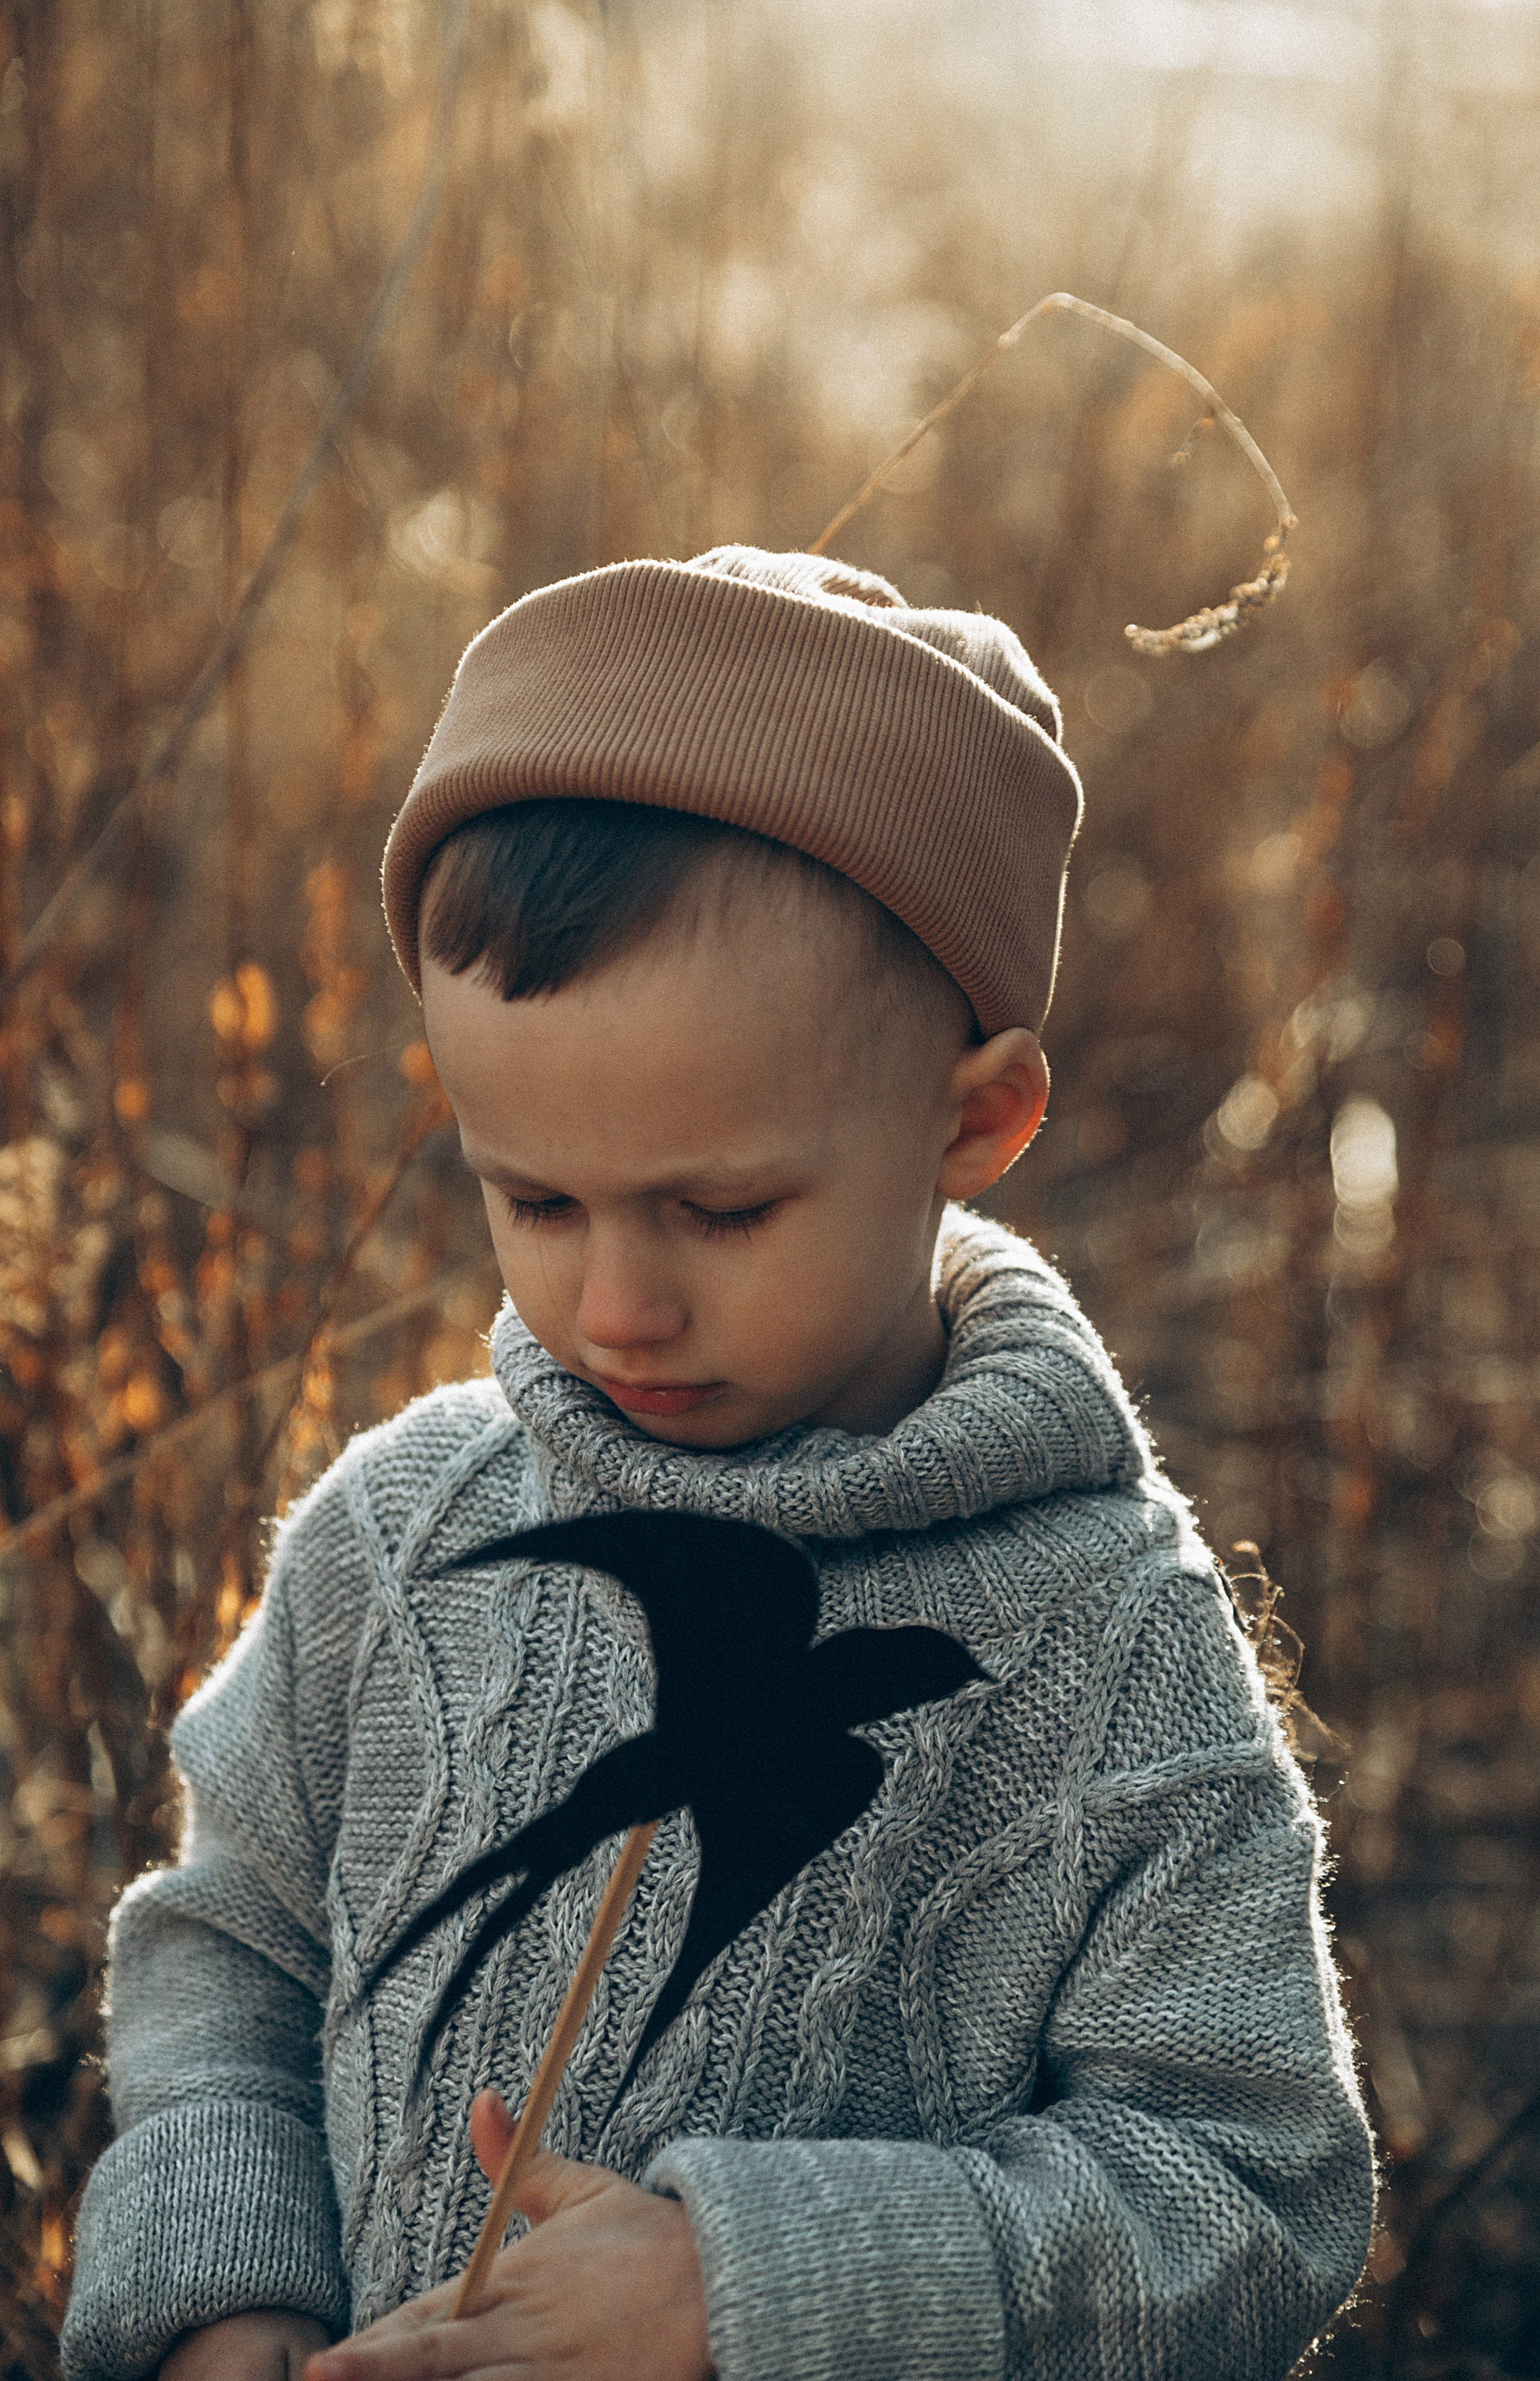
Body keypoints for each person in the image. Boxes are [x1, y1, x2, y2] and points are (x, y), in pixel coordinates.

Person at [61, 546, 1374, 2381]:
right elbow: (229, 1953)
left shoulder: (1114, 1648)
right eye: (535, 1199)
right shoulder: (398, 1534)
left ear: (975, 1117)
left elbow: (1247, 2189)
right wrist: (225, 2302)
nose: (615, 1305)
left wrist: (758, 2293)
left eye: (723, 1209)